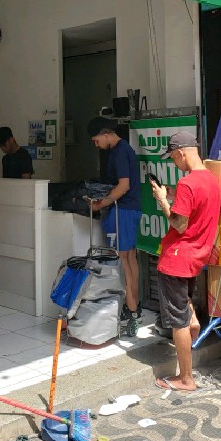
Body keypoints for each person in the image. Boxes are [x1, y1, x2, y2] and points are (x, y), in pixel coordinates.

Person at [149, 130, 220, 392]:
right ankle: (192, 320)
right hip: (196, 257)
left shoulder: (187, 184)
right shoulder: (210, 180)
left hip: (176, 259)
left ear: (181, 153)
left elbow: (179, 224)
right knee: (183, 303)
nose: (173, 162)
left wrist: (162, 201)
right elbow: (193, 205)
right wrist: (169, 193)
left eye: (172, 158)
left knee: (176, 320)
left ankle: (186, 378)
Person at [87, 116, 142, 324]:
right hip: (132, 209)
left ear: (105, 134)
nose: (96, 145)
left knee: (122, 258)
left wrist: (101, 204)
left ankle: (131, 308)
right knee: (130, 257)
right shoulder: (125, 148)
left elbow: (123, 186)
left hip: (123, 210)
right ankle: (134, 304)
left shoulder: (119, 152)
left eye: (96, 140)